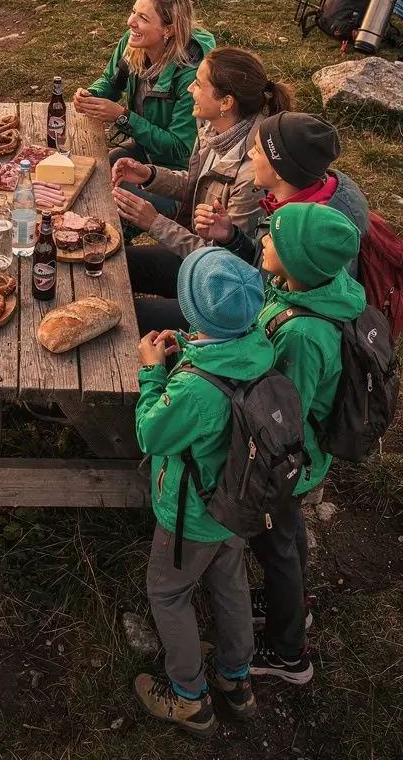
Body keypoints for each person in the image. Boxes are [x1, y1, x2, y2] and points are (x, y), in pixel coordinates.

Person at [134, 249, 271, 735]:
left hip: (191, 514)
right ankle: (237, 678)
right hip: (236, 504)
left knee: (169, 594)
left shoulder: (195, 390)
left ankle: (188, 695)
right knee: (229, 582)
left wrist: (153, 373)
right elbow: (222, 358)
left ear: (192, 311)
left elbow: (153, 433)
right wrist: (193, 347)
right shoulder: (257, 347)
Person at [250, 204, 364, 685]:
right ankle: (292, 601)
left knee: (274, 540)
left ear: (297, 261)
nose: (262, 242)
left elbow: (283, 412)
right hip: (305, 456)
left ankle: (289, 652)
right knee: (289, 532)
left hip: (291, 460)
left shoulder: (302, 334)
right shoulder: (321, 292)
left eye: (273, 239)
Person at [112, 49, 292, 332]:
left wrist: (155, 224)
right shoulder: (215, 129)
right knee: (120, 263)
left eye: (198, 83)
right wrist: (150, 175)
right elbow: (200, 183)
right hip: (200, 254)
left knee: (132, 317)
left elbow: (230, 265)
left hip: (226, 292)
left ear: (226, 102)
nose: (189, 88)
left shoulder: (253, 174)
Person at [74, 0, 214, 226]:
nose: (130, 22)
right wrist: (92, 94)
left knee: (109, 209)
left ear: (168, 29)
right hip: (144, 148)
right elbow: (112, 80)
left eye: (142, 18)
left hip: (180, 174)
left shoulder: (191, 75)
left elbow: (181, 149)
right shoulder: (133, 43)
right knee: (89, 177)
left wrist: (123, 117)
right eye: (133, 12)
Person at [195, 112, 369, 275]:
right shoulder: (306, 205)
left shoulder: (303, 239)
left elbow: (264, 293)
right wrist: (231, 238)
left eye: (257, 149)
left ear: (279, 170)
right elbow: (260, 262)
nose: (250, 153)